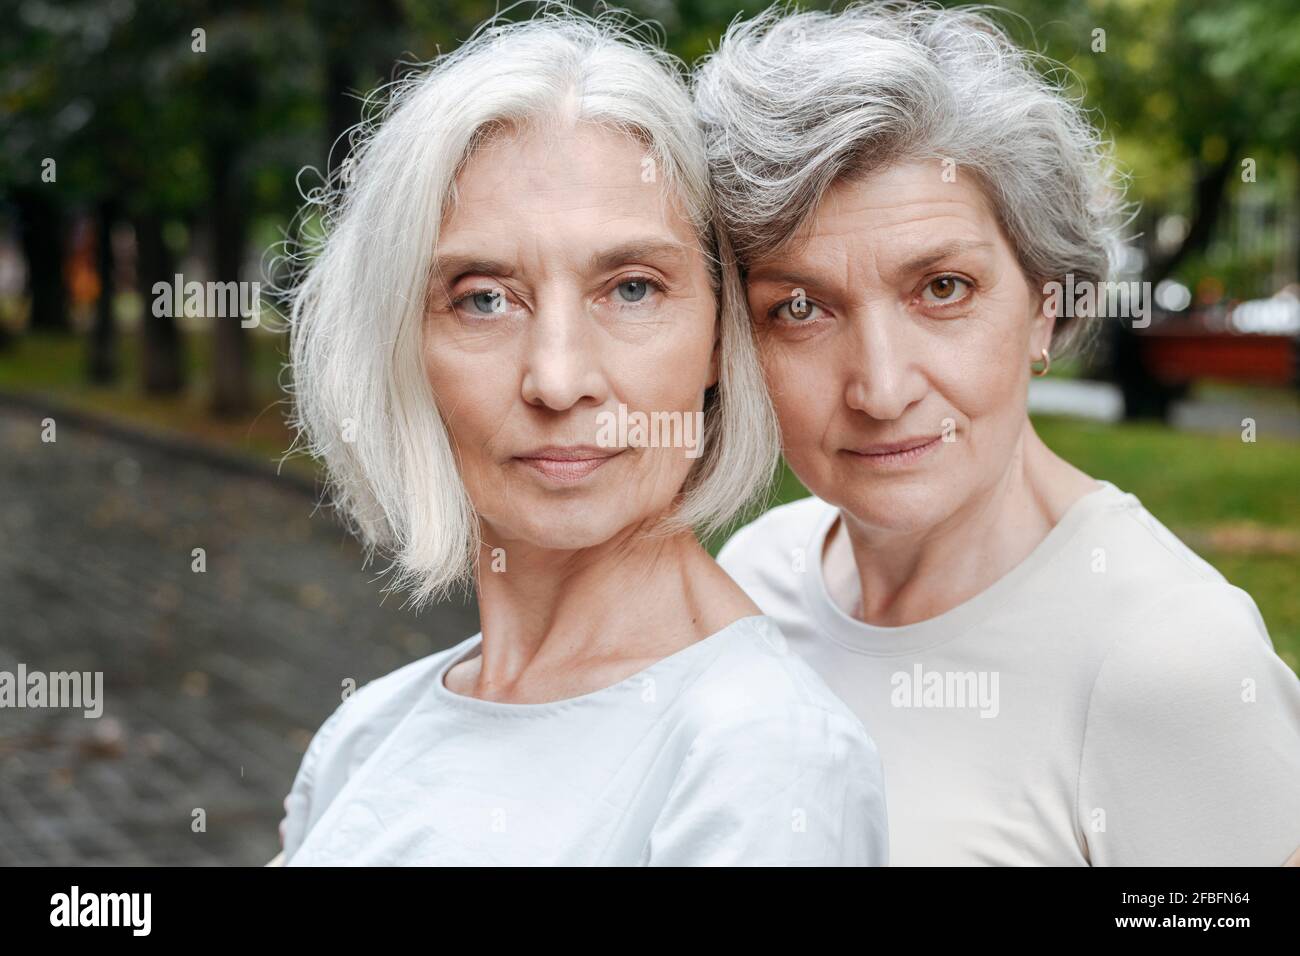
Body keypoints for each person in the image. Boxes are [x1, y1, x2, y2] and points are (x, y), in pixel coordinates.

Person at [274, 9, 888, 866]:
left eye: (631, 288)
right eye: (484, 297)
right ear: (403, 346)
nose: (558, 380)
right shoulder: (364, 734)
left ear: (720, 336)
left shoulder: (760, 761)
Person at [696, 1, 1300, 865]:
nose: (881, 385)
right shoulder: (758, 576)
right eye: (800, 308)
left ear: (1043, 305)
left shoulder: (1170, 663)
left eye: (942, 288)